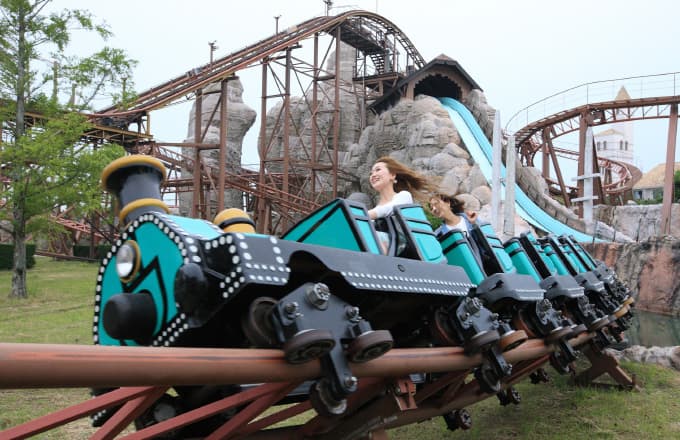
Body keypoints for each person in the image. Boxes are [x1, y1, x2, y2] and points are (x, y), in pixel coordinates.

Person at [367, 156, 434, 220]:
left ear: (392, 175)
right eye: (371, 173)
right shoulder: (373, 211)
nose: (373, 175)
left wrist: (365, 215)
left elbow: (390, 209)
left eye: (378, 170)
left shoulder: (404, 196)